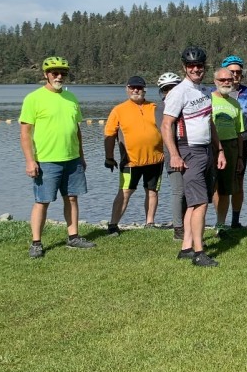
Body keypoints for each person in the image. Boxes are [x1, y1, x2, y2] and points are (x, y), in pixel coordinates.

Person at [20, 56, 95, 257]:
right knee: (42, 201)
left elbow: (76, 130)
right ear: (46, 75)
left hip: (72, 159)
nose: (59, 76)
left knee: (71, 198)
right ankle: (36, 242)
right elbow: (25, 133)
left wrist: (81, 156)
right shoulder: (33, 98)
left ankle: (73, 237)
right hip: (46, 159)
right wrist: (30, 160)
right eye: (55, 73)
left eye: (63, 73)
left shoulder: (71, 98)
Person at [161, 47, 224, 267]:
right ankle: (199, 252)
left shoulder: (205, 91)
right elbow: (166, 125)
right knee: (200, 204)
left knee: (193, 204)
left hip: (206, 149)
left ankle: (186, 247)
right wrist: (174, 155)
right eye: (191, 66)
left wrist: (220, 150)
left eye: (199, 65)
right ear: (184, 68)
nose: (196, 69)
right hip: (188, 150)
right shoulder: (179, 92)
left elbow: (210, 123)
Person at [103, 75, 165, 235]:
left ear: (144, 89)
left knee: (152, 191)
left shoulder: (154, 107)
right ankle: (113, 225)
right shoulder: (118, 110)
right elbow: (109, 135)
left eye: (139, 87)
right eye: (132, 87)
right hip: (131, 161)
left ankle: (150, 223)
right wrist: (109, 157)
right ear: (127, 89)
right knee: (125, 192)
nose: (136, 90)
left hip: (155, 159)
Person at [211, 68, 247, 229]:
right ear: (215, 81)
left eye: (229, 80)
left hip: (231, 147)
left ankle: (220, 225)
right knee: (208, 188)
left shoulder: (235, 103)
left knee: (226, 189)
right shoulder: (208, 100)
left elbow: (240, 133)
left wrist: (239, 157)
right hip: (210, 146)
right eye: (222, 80)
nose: (226, 83)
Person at [220, 55, 247, 228]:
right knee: (219, 183)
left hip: (242, 141)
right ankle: (220, 222)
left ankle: (235, 220)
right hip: (219, 142)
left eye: (238, 72)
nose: (234, 75)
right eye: (231, 71)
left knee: (239, 181)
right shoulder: (215, 93)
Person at [156, 72, 185, 240]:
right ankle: (178, 228)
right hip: (172, 155)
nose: (170, 92)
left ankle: (187, 223)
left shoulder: (185, 103)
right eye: (166, 89)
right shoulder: (162, 108)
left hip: (189, 152)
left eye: (173, 88)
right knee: (178, 191)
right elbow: (166, 132)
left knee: (189, 191)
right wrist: (174, 155)